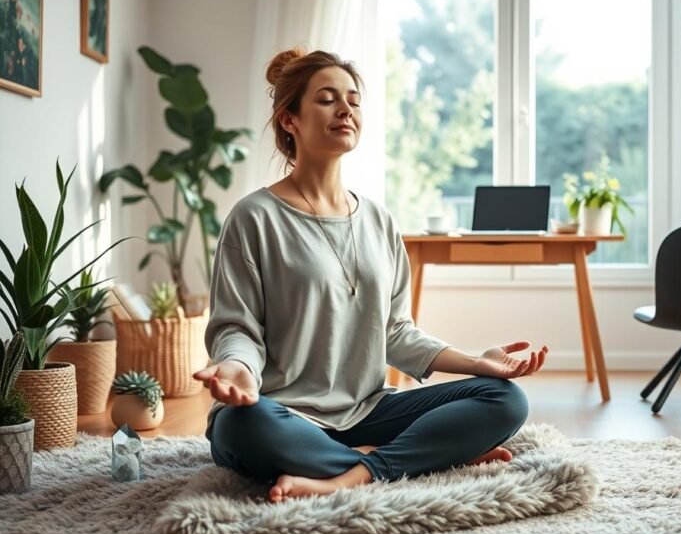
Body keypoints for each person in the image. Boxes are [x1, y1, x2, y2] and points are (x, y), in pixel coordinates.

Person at [193, 49, 548, 503]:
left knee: (504, 398)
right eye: (327, 99)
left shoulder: (379, 221)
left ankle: (350, 472)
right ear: (290, 120)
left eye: (354, 100)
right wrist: (239, 371)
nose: (346, 110)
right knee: (240, 427)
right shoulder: (254, 217)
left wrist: (477, 363)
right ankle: (407, 459)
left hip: (367, 409)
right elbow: (237, 328)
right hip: (282, 413)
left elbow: (396, 332)